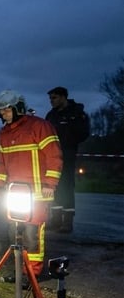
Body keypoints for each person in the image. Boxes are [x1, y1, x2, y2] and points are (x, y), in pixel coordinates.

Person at [0, 89, 62, 279]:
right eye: (1, 112)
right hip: (15, 194)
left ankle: (32, 273)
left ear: (18, 108)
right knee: (13, 234)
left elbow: (54, 157)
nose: (3, 115)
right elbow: (3, 166)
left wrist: (50, 184)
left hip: (38, 195)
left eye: (6, 110)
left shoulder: (40, 126)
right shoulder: (4, 134)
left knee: (32, 236)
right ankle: (19, 272)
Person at [45, 86, 90, 233]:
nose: (51, 101)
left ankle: (67, 221)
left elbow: (83, 133)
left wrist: (68, 141)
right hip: (52, 155)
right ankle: (55, 219)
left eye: (54, 98)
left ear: (63, 97)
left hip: (68, 154)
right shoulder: (51, 116)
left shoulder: (76, 113)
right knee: (55, 186)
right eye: (50, 98)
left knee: (67, 185)